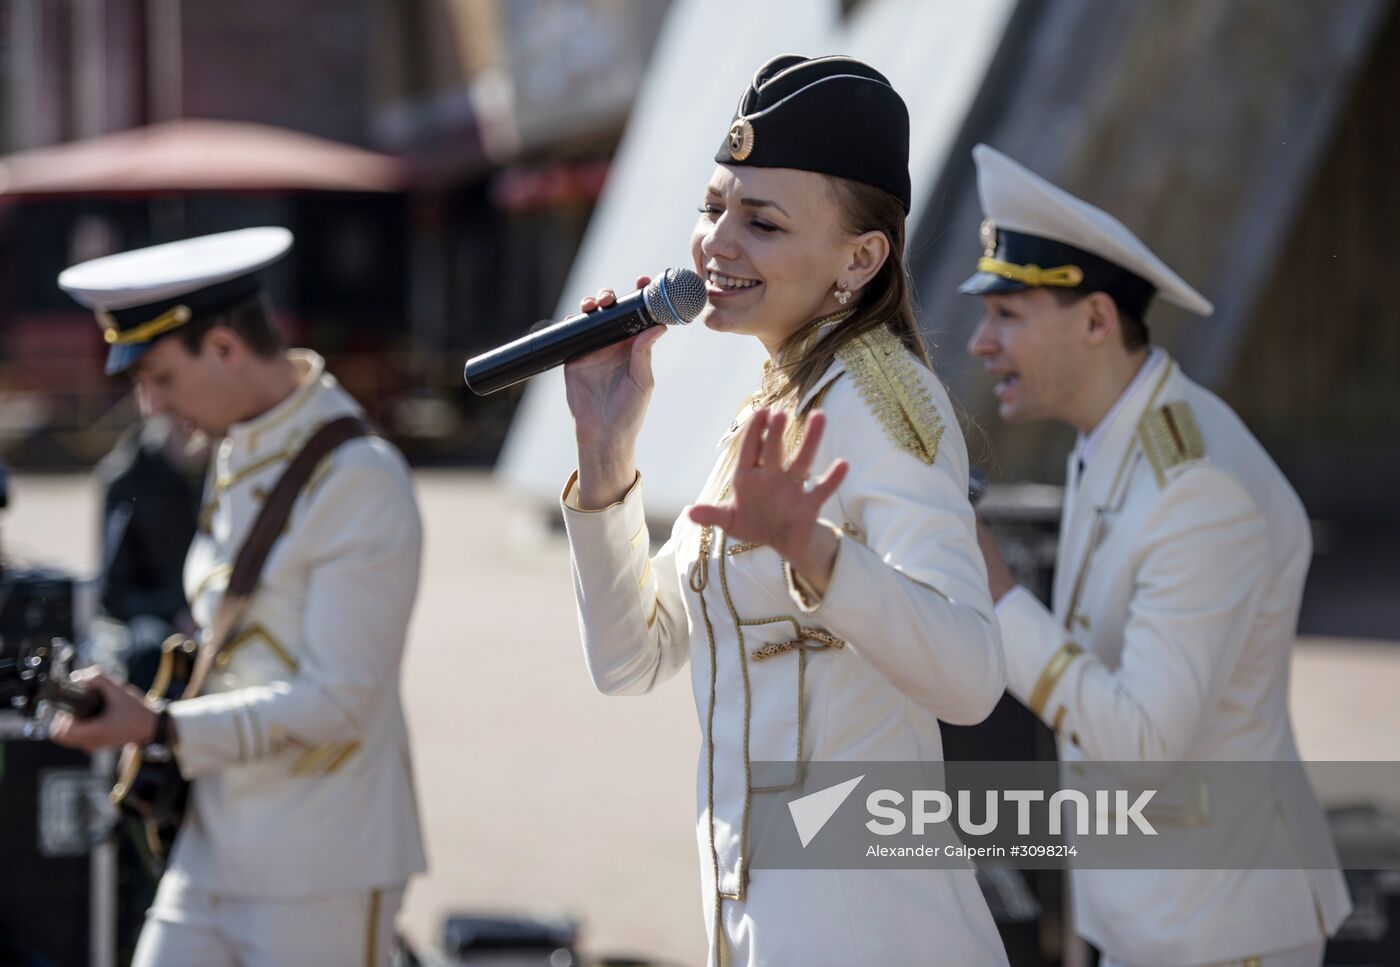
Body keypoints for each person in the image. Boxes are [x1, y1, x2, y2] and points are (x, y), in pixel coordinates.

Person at [561, 56, 1009, 965]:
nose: (716, 243)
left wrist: (823, 558)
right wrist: (605, 453)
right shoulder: (774, 405)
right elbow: (631, 657)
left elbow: (970, 676)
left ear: (861, 257)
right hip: (757, 926)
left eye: (760, 221)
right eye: (713, 205)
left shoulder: (889, 404)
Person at [964, 145, 1352, 967]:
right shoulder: (1123, 437)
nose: (979, 342)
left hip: (1221, 928)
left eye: (1006, 314)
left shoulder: (1197, 487)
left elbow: (1142, 738)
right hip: (1157, 913)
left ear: (1097, 320)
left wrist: (1001, 599)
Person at [50, 227, 426, 967]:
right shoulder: (240, 444)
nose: (151, 404)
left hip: (320, 866)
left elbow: (339, 699)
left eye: (159, 376)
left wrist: (159, 726)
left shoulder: (358, 478)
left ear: (224, 348)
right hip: (211, 845)